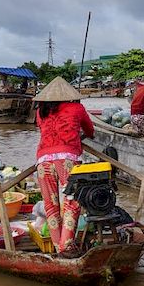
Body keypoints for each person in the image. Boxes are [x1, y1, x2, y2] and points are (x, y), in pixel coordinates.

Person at [33, 76, 95, 257]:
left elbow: (44, 130)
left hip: (43, 161)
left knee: (50, 205)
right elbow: (90, 130)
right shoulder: (77, 108)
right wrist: (83, 135)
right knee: (72, 202)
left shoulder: (40, 112)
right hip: (67, 159)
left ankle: (57, 247)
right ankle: (66, 246)